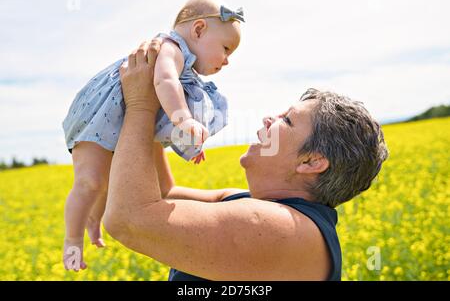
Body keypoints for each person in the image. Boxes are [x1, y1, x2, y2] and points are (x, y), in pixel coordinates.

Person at [101, 39, 389, 280]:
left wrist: (140, 105)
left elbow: (129, 219)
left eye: (287, 120)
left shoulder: (279, 227)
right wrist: (161, 108)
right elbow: (163, 194)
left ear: (312, 161)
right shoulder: (249, 203)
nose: (269, 118)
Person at [61, 0, 244, 271]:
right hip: (95, 118)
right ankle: (72, 242)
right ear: (198, 30)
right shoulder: (172, 49)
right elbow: (164, 82)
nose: (227, 60)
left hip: (117, 123)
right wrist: (183, 120)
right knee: (90, 182)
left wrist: (190, 140)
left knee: (109, 183)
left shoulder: (185, 66)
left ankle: (92, 220)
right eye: (226, 48)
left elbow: (162, 113)